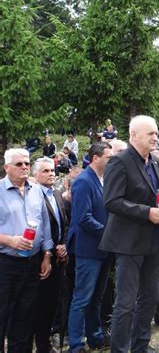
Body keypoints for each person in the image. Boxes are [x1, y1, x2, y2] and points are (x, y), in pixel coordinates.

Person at [99, 115, 159, 353]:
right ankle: (120, 349)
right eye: (150, 133)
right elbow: (111, 201)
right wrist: (147, 213)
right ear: (134, 136)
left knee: (151, 296)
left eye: (156, 132)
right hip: (128, 242)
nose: (155, 137)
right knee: (126, 302)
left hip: (153, 239)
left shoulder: (154, 161)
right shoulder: (119, 162)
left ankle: (141, 345)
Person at [0, 148, 53, 352]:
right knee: (2, 314)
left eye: (27, 163)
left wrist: (47, 255)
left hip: (32, 263)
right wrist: (10, 241)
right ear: (6, 167)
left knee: (24, 317)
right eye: (19, 164)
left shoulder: (36, 189)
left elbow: (45, 224)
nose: (24, 167)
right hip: (6, 263)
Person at [67, 142, 113, 352]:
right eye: (108, 158)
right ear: (96, 158)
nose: (111, 162)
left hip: (103, 248)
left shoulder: (103, 180)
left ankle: (95, 337)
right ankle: (76, 344)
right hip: (88, 249)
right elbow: (83, 218)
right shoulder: (84, 181)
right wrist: (109, 232)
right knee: (82, 298)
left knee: (96, 297)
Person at [27, 157, 69, 353]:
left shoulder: (57, 194)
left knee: (52, 302)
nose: (51, 173)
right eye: (45, 171)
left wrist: (64, 245)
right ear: (35, 175)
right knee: (37, 304)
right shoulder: (33, 196)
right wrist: (48, 251)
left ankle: (44, 344)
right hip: (38, 257)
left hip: (58, 256)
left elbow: (65, 223)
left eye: (52, 170)